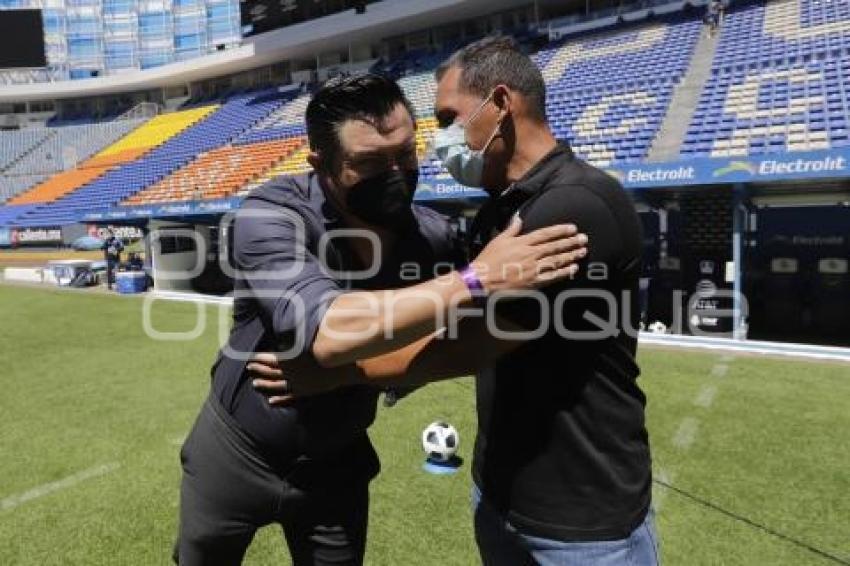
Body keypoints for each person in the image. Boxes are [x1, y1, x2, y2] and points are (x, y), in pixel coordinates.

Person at [252, 37, 658, 565]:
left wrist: (336, 374)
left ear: (501, 105)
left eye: (449, 118)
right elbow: (447, 315)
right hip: (502, 493)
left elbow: (470, 344)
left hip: (584, 518)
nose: (440, 140)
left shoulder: (574, 205)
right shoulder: (501, 211)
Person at [173, 73, 587, 566]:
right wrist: (475, 279)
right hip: (237, 449)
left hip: (339, 459)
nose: (395, 173)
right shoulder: (270, 216)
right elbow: (328, 332)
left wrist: (376, 372)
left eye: (406, 154)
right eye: (370, 162)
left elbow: (470, 332)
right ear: (319, 165)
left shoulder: (431, 238)